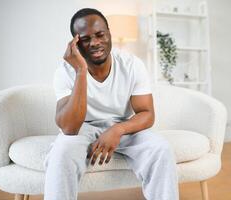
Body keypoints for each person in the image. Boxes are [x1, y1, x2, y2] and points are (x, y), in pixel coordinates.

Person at [43, 8, 179, 200]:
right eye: (85, 39)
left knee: (161, 148)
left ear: (109, 34)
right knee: (61, 152)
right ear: (75, 43)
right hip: (82, 130)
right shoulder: (65, 71)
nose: (95, 43)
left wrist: (117, 130)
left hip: (123, 127)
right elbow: (69, 127)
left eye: (100, 35)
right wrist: (81, 70)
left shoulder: (132, 65)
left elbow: (147, 113)